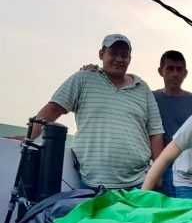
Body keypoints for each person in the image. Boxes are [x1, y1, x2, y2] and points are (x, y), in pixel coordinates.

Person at [32, 34, 164, 189]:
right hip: (92, 184)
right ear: (101, 54)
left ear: (130, 59)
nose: (119, 59)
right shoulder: (83, 78)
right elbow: (53, 109)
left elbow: (155, 133)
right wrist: (29, 138)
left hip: (139, 183)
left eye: (124, 55)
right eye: (113, 54)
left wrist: (158, 174)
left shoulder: (142, 88)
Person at [153, 50, 192, 196]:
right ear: (160, 71)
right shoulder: (150, 98)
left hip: (190, 170)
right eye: (170, 69)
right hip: (161, 167)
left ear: (185, 73)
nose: (175, 74)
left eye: (179, 69)